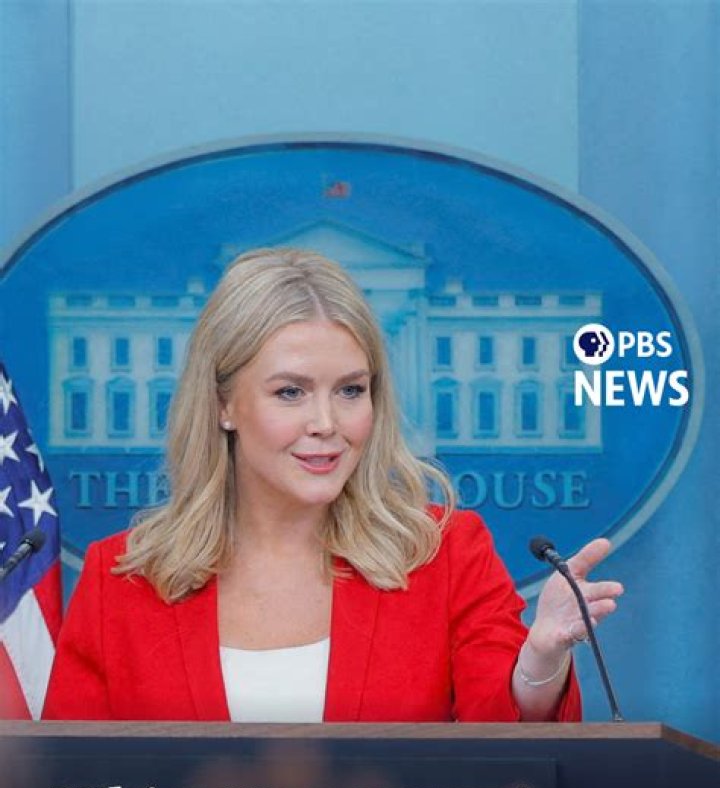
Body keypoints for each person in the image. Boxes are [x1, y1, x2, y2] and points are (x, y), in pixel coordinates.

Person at [42, 249, 622, 722]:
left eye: (350, 390)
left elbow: (508, 752)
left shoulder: (444, 552)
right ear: (224, 404)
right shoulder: (119, 578)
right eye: (290, 392)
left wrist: (541, 659)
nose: (326, 422)